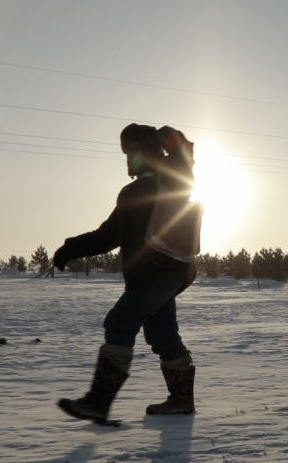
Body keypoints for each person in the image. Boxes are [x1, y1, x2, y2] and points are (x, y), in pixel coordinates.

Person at [54, 123, 201, 425]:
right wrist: (70, 249)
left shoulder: (169, 179)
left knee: (120, 322)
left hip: (166, 271)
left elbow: (184, 156)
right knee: (162, 336)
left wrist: (169, 135)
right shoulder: (129, 193)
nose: (128, 160)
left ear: (145, 151)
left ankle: (98, 403)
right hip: (145, 276)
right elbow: (107, 235)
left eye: (131, 152)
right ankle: (181, 401)